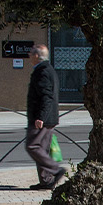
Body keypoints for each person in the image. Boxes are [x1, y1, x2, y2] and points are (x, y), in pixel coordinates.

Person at [24, 44, 66, 191]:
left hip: (42, 118)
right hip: (47, 117)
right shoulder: (47, 70)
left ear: (37, 56)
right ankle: (46, 181)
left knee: (33, 146)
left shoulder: (43, 72)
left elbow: (46, 96)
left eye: (31, 54)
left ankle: (55, 170)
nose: (29, 56)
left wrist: (41, 116)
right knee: (42, 148)